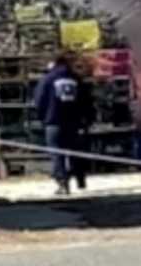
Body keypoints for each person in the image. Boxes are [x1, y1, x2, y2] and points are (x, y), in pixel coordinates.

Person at [34, 51, 95, 195]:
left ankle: (63, 184)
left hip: (53, 122)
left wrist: (42, 117)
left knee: (57, 154)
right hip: (74, 122)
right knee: (75, 152)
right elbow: (87, 101)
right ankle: (80, 179)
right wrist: (87, 119)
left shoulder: (47, 79)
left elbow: (39, 100)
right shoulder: (77, 79)